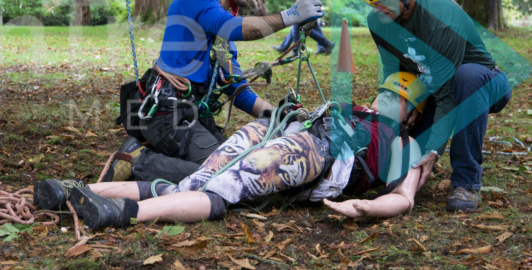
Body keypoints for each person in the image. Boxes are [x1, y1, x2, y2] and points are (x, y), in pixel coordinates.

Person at [33, 72, 426, 228]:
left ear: (411, 115)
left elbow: (406, 196)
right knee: (195, 178)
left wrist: (368, 207)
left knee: (220, 191)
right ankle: (74, 192)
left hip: (320, 155)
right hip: (287, 128)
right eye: (385, 93)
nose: (387, 101)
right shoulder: (358, 110)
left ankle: (123, 213)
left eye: (399, 100)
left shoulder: (408, 143)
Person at [105, 0, 325, 186]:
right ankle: (137, 160)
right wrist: (291, 15)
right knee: (228, 175)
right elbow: (232, 28)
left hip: (191, 115)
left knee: (245, 165)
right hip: (167, 113)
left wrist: (278, 115)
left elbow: (237, 91)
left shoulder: (223, 33)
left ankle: (158, 158)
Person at [357, 0, 512, 212]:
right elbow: (393, 71)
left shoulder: (440, 17)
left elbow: (448, 95)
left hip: (485, 82)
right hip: (436, 84)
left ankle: (466, 181)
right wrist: (403, 105)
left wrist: (434, 151)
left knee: (467, 76)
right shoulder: (377, 21)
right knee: (397, 130)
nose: (375, 7)